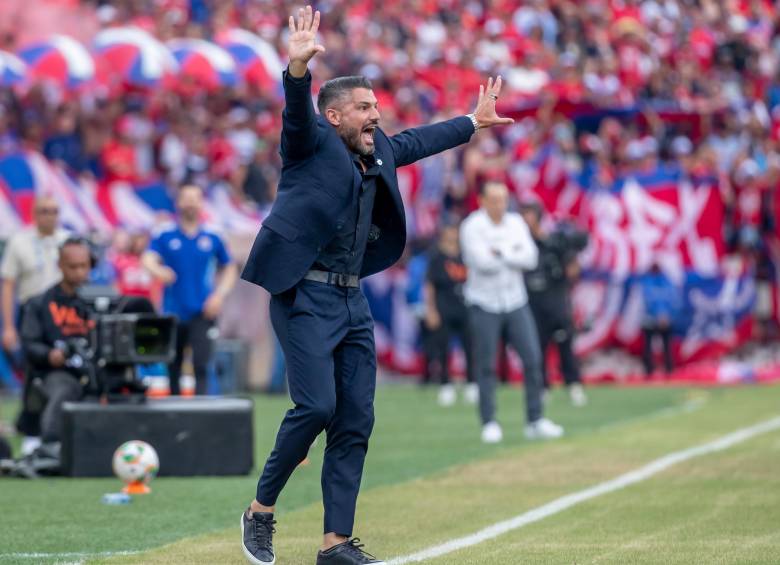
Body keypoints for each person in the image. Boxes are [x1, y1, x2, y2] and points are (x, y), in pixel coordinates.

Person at [238, 6, 513, 565]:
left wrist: (471, 122)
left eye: (376, 107)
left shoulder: (378, 146)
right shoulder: (309, 142)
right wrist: (296, 70)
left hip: (350, 297)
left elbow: (414, 142)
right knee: (316, 408)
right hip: (304, 294)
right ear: (335, 117)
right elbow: (296, 112)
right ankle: (260, 510)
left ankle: (334, 543)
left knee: (356, 419)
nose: (375, 116)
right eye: (364, 109)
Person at [460, 181, 563, 444]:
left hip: (515, 300)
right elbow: (481, 263)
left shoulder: (516, 223)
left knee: (532, 358)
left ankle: (535, 419)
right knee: (486, 364)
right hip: (484, 302)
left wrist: (500, 252)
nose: (499, 205)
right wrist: (511, 253)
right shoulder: (472, 226)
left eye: (503, 199)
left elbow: (530, 258)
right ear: (482, 200)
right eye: (494, 199)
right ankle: (489, 421)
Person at [142, 184, 238, 395]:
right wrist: (159, 270)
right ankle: (175, 417)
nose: (191, 203)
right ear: (178, 203)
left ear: (202, 203)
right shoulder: (165, 233)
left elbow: (229, 267)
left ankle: (201, 418)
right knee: (173, 367)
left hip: (203, 311)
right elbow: (148, 258)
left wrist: (219, 296)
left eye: (195, 198)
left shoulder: (213, 235)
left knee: (202, 366)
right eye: (186, 198)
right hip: (172, 311)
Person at [1, 195, 69, 453]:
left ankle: (59, 428)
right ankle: (32, 431)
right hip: (31, 313)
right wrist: (8, 326)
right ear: (34, 213)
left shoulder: (66, 241)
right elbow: (8, 285)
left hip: (62, 314)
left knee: (65, 372)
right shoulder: (19, 241)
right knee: (32, 373)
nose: (49, 216)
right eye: (44, 211)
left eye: (54, 211)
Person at [19, 237, 93, 462]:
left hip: (94, 370)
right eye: (73, 266)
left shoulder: (99, 301)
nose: (79, 272)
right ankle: (51, 443)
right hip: (54, 372)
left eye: (84, 266)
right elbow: (30, 344)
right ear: (60, 265)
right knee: (65, 389)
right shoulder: (40, 303)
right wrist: (50, 355)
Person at [520, 202, 588, 407]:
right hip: (532, 302)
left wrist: (569, 264)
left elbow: (573, 265)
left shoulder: (553, 241)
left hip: (556, 300)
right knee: (536, 347)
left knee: (564, 344)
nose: (525, 220)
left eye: (528, 215)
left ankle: (573, 385)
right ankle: (542, 387)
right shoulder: (520, 244)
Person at [423, 222, 477, 406]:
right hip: (443, 308)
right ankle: (446, 385)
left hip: (465, 307)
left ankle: (472, 384)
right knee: (443, 349)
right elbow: (429, 284)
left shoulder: (466, 254)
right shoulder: (436, 256)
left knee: (470, 347)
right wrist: (430, 310)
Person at [639, 263, 679, 376]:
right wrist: (664, 314)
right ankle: (655, 371)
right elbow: (672, 299)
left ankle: (658, 371)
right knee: (656, 346)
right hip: (658, 319)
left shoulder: (648, 281)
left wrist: (661, 314)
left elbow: (650, 299)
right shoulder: (665, 281)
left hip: (655, 319)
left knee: (660, 346)